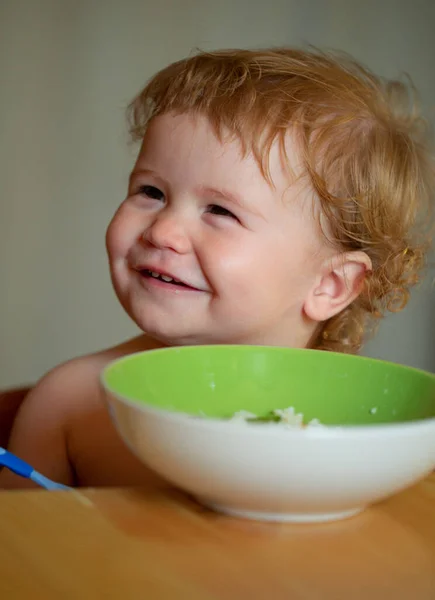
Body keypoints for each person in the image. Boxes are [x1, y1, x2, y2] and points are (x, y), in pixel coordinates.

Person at [1, 47, 433, 489]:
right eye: (151, 191)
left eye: (220, 211)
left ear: (330, 284)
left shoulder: (370, 434)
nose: (163, 231)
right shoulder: (70, 402)